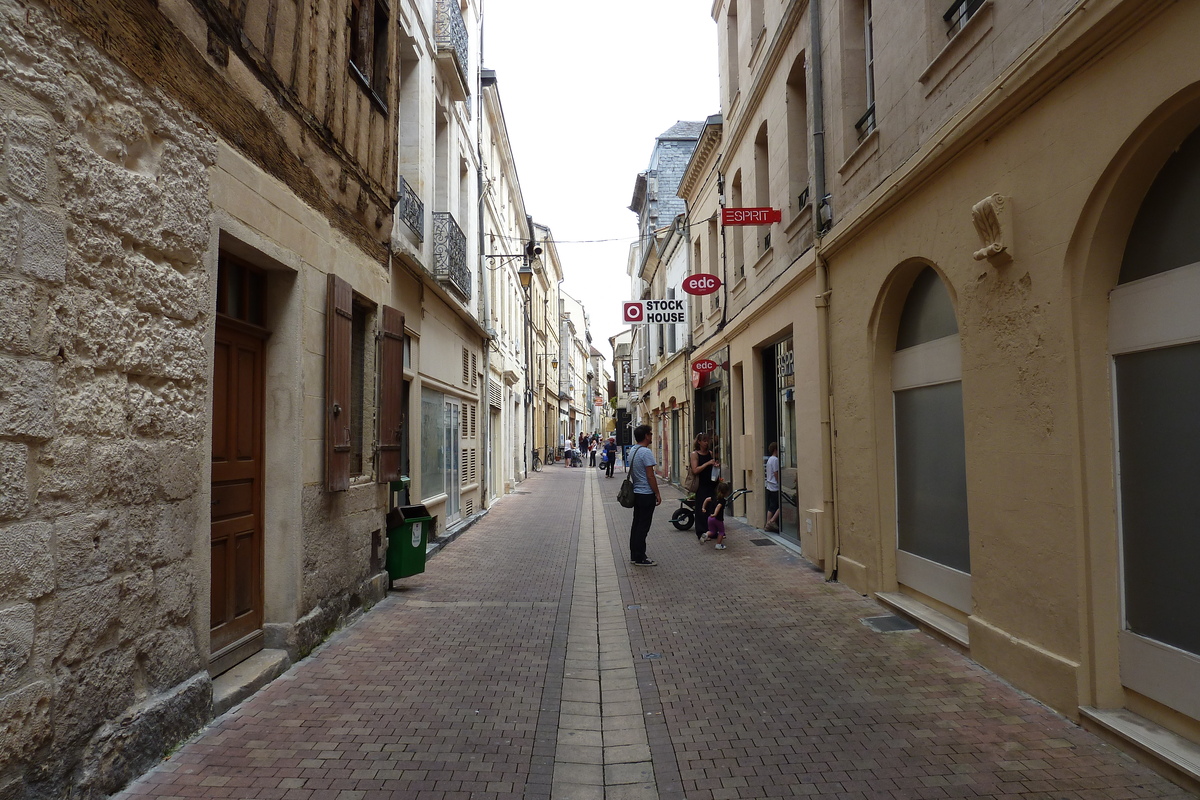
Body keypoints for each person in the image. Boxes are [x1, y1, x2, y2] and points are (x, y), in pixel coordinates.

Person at [627, 424, 660, 566]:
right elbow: (650, 475)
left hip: (637, 492)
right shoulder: (645, 452)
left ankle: (635, 554)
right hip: (646, 493)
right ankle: (641, 557)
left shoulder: (633, 450)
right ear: (646, 436)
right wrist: (657, 493)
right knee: (643, 526)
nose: (652, 436)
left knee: (636, 524)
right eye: (650, 434)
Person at [689, 433, 720, 541]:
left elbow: (711, 467)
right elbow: (695, 469)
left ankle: (711, 530)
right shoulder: (695, 454)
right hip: (701, 485)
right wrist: (707, 463)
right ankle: (701, 532)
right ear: (699, 442)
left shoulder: (710, 453)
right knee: (701, 508)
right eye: (705, 441)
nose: (707, 443)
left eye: (708, 440)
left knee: (711, 507)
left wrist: (715, 466)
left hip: (710, 483)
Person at [700, 481, 731, 549]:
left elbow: (706, 499)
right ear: (726, 492)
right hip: (717, 519)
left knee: (712, 531)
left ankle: (706, 534)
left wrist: (703, 508)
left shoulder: (714, 497)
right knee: (721, 532)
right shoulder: (722, 500)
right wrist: (715, 514)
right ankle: (718, 545)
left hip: (710, 518)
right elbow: (718, 506)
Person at [765, 442, 781, 532]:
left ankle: (768, 524)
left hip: (769, 485)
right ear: (775, 450)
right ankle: (772, 521)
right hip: (775, 486)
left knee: (771, 506)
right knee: (780, 505)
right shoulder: (775, 460)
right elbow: (776, 472)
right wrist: (779, 482)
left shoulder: (769, 459)